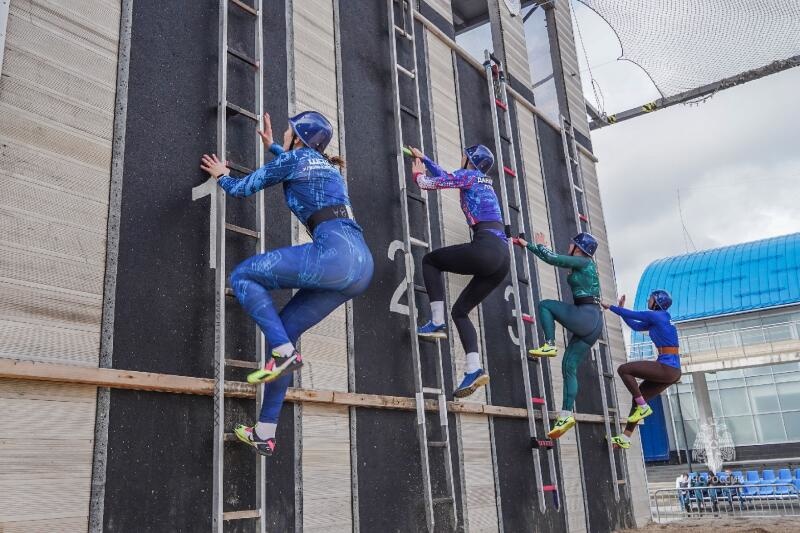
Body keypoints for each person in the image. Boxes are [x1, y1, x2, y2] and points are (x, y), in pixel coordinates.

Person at [200, 111, 373, 456]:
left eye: (288, 129)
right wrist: (273, 147)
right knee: (286, 332)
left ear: (298, 138)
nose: (283, 131)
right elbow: (297, 166)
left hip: (334, 256)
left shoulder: (296, 160)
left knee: (243, 276)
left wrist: (222, 175)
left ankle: (284, 354)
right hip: (361, 266)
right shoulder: (326, 167)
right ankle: (264, 432)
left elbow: (241, 189)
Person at [407, 144, 508, 398]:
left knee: (430, 261)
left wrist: (418, 174)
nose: (461, 156)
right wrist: (426, 159)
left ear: (470, 159)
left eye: (464, 154)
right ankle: (473, 368)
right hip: (502, 258)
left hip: (486, 247)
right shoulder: (482, 180)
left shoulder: (468, 175)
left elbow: (429, 184)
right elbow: (447, 176)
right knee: (460, 311)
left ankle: (436, 320)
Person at [513, 231, 603, 439]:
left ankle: (550, 343)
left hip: (586, 315)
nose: (569, 246)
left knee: (546, 305)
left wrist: (539, 245)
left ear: (579, 248)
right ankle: (566, 415)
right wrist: (528, 245)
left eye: (572, 243)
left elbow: (553, 259)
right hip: (593, 322)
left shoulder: (582, 261)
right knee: (569, 366)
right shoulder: (585, 264)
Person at [601, 290, 681, 449]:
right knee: (639, 398)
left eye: (651, 298)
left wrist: (610, 307)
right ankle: (625, 437)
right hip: (672, 371)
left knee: (624, 369)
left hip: (667, 367)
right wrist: (620, 310)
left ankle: (643, 407)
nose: (648, 300)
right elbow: (635, 326)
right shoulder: (659, 319)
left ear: (658, 302)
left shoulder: (657, 316)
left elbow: (634, 314)